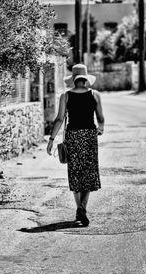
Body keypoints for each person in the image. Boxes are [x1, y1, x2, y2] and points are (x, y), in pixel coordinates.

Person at [47, 64, 104, 226]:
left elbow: (59, 119)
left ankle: (79, 207)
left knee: (75, 173)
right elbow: (100, 118)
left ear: (73, 79)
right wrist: (101, 129)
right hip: (89, 137)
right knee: (88, 173)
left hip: (73, 137)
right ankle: (82, 208)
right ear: (85, 79)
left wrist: (51, 140)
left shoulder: (66, 96)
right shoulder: (95, 95)